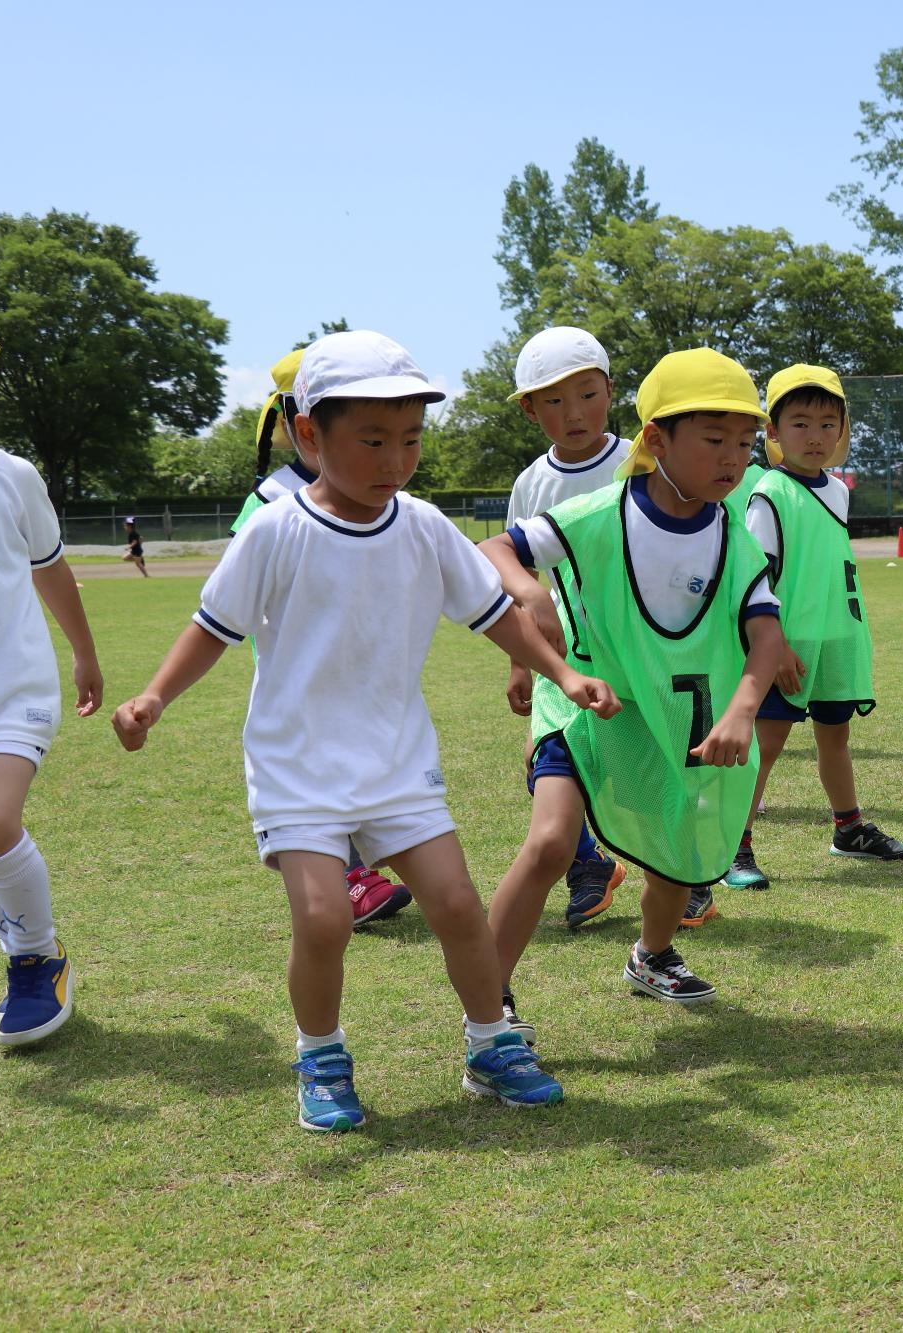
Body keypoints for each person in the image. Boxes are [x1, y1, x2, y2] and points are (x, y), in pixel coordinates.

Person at [112, 332, 603, 1131]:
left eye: (410, 440)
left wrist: (561, 672)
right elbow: (214, 626)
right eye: (373, 441)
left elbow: (491, 614)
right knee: (323, 917)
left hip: (396, 760)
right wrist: (154, 697)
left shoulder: (422, 525)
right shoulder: (275, 529)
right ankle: (322, 1056)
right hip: (297, 765)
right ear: (310, 435)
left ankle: (491, 1042)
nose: (395, 460)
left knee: (454, 901)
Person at [479, 348, 786, 1009]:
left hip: (665, 716)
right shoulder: (596, 513)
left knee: (674, 851)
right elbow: (495, 549)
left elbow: (767, 637)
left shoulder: (736, 537)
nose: (733, 458)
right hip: (580, 704)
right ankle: (488, 996)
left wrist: (740, 709)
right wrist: (529, 594)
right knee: (554, 841)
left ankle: (652, 954)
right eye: (713, 440)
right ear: (656, 439)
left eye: (744, 440)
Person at [231, 350, 413, 927]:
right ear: (299, 422)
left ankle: (359, 869)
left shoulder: (374, 487)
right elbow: (238, 591)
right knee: (321, 771)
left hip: (362, 663)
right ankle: (347, 878)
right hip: (300, 672)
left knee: (364, 761)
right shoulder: (271, 499)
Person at [729, 364, 903, 892]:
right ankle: (734, 844)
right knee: (766, 744)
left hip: (838, 636)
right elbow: (756, 576)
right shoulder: (769, 492)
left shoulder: (838, 490)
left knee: (836, 737)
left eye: (828, 424)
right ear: (773, 431)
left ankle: (848, 828)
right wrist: (776, 645)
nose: (816, 437)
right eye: (801, 423)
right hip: (788, 642)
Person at [0, 316, 102, 1047]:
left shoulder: (12, 476)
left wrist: (83, 653)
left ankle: (36, 956)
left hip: (12, 688)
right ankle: (18, 953)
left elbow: (50, 565)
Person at [489, 327, 629, 968]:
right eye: (552, 401)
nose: (573, 414)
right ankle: (589, 866)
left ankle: (684, 880)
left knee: (647, 766)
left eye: (586, 394)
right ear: (529, 410)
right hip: (565, 655)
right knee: (539, 758)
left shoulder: (641, 458)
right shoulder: (531, 484)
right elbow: (520, 577)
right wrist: (521, 661)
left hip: (642, 650)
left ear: (610, 390)